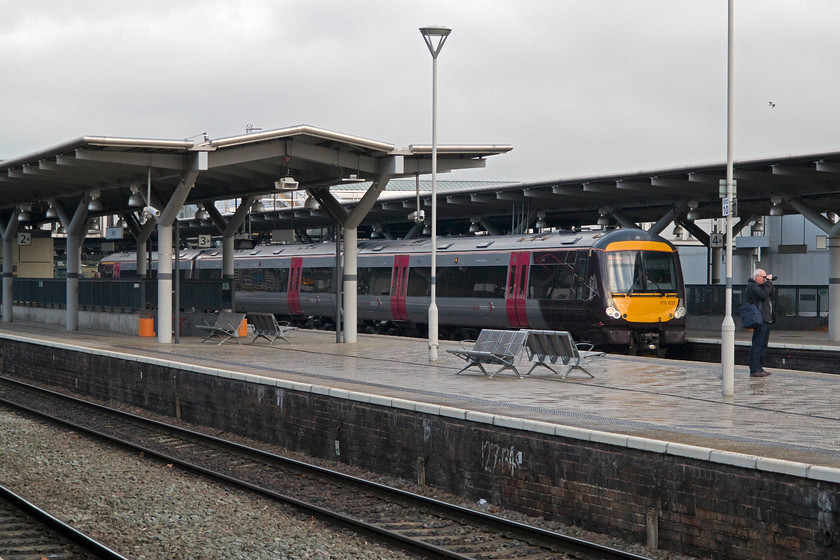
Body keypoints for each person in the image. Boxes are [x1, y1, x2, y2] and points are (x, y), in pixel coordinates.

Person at [745, 268, 775, 377]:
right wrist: (768, 284)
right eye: (763, 277)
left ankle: (760, 367)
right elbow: (762, 296)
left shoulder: (762, 287)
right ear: (756, 277)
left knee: (763, 345)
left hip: (766, 319)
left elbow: (771, 296)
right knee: (757, 345)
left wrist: (769, 283)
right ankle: (754, 369)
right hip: (759, 320)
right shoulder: (752, 287)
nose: (765, 279)